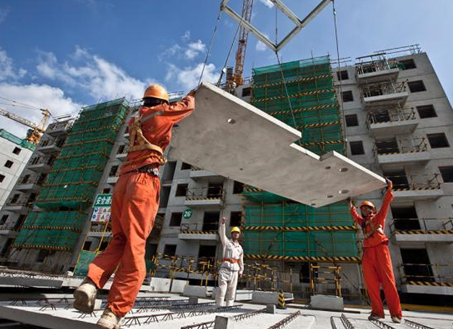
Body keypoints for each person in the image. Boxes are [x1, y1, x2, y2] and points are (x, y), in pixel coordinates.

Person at [73, 84, 195, 329]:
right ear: (160, 101)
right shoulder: (162, 113)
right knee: (136, 245)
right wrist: (192, 93)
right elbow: (188, 106)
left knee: (119, 239)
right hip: (143, 181)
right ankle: (113, 313)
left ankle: (90, 282)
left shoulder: (135, 119)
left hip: (123, 182)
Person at [348, 179, 402, 323]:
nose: (364, 210)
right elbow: (355, 217)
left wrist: (389, 190)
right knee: (371, 283)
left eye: (367, 208)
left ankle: (396, 313)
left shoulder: (378, 217)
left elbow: (385, 205)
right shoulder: (363, 222)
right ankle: (377, 312)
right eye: (362, 209)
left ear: (372, 210)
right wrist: (350, 205)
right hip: (368, 252)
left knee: (388, 282)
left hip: (380, 250)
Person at [215, 216, 244, 307]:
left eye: (237, 233)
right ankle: (219, 306)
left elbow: (241, 261)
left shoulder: (240, 248)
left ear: (239, 235)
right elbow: (222, 234)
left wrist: (241, 271)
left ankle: (229, 308)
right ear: (231, 234)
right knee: (222, 290)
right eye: (234, 233)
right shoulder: (226, 243)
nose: (236, 234)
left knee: (232, 291)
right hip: (225, 269)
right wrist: (223, 224)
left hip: (235, 271)